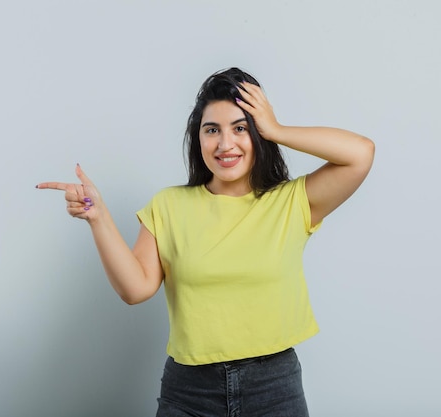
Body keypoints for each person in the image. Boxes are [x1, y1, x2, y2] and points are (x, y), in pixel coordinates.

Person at [37, 68, 375, 416]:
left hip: (273, 388)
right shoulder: (169, 205)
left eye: (240, 128)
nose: (225, 144)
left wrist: (276, 129)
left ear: (257, 134)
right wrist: (99, 218)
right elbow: (135, 289)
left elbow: (360, 153)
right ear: (197, 138)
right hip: (189, 392)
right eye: (212, 130)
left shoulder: (291, 202)